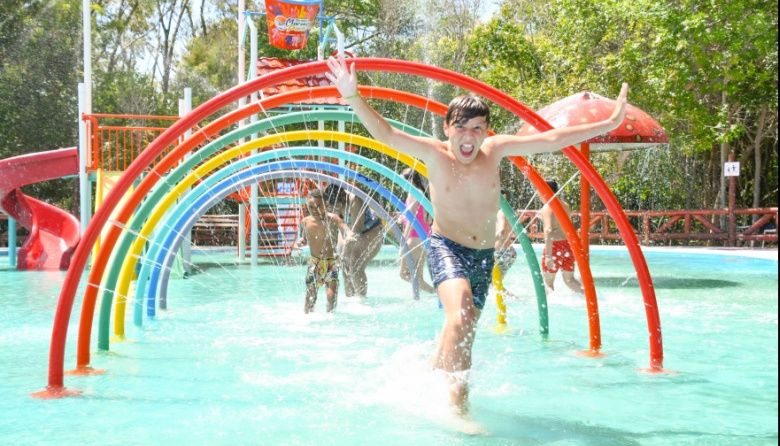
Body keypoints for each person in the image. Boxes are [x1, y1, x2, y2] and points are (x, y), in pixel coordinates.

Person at [325, 54, 628, 413]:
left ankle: (426, 374)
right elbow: (387, 134)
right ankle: (459, 410)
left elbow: (552, 138)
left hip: (483, 257)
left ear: (486, 131)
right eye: (461, 128)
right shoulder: (434, 154)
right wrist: (352, 95)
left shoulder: (495, 151)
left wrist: (609, 122)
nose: (468, 137)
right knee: (462, 316)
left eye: (477, 129)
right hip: (447, 249)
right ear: (447, 129)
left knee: (461, 328)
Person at [291, 189, 355, 313]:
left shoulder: (333, 219)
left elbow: (346, 229)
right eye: (311, 207)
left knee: (331, 296)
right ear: (307, 206)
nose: (315, 210)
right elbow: (304, 239)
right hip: (314, 263)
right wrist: (297, 244)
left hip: (331, 263)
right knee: (311, 296)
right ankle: (307, 316)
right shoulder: (306, 221)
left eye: (318, 206)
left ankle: (330, 316)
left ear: (326, 205)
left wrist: (349, 235)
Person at [323, 183, 385, 298]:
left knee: (356, 266)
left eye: (337, 206)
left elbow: (357, 229)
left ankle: (362, 299)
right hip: (349, 231)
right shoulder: (331, 201)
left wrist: (347, 241)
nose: (334, 208)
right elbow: (339, 225)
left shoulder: (355, 199)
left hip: (370, 229)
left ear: (342, 197)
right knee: (345, 266)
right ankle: (350, 298)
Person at [540, 180, 584, 294]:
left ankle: (549, 304)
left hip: (554, 246)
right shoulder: (565, 205)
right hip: (567, 245)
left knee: (548, 283)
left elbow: (549, 230)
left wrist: (548, 255)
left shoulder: (548, 207)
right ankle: (589, 297)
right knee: (570, 280)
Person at [398, 167, 435, 294]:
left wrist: (403, 243)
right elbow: (428, 220)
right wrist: (404, 217)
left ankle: (436, 293)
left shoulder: (412, 193)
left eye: (402, 181)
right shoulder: (422, 192)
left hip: (414, 238)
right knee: (418, 277)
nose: (401, 185)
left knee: (404, 274)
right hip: (424, 237)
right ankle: (429, 295)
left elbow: (411, 219)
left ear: (410, 180)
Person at [493, 189, 518, 299]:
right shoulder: (507, 211)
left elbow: (502, 231)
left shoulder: (501, 212)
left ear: (504, 196)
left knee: (494, 284)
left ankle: (517, 300)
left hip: (503, 253)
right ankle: (513, 300)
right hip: (507, 252)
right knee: (494, 284)